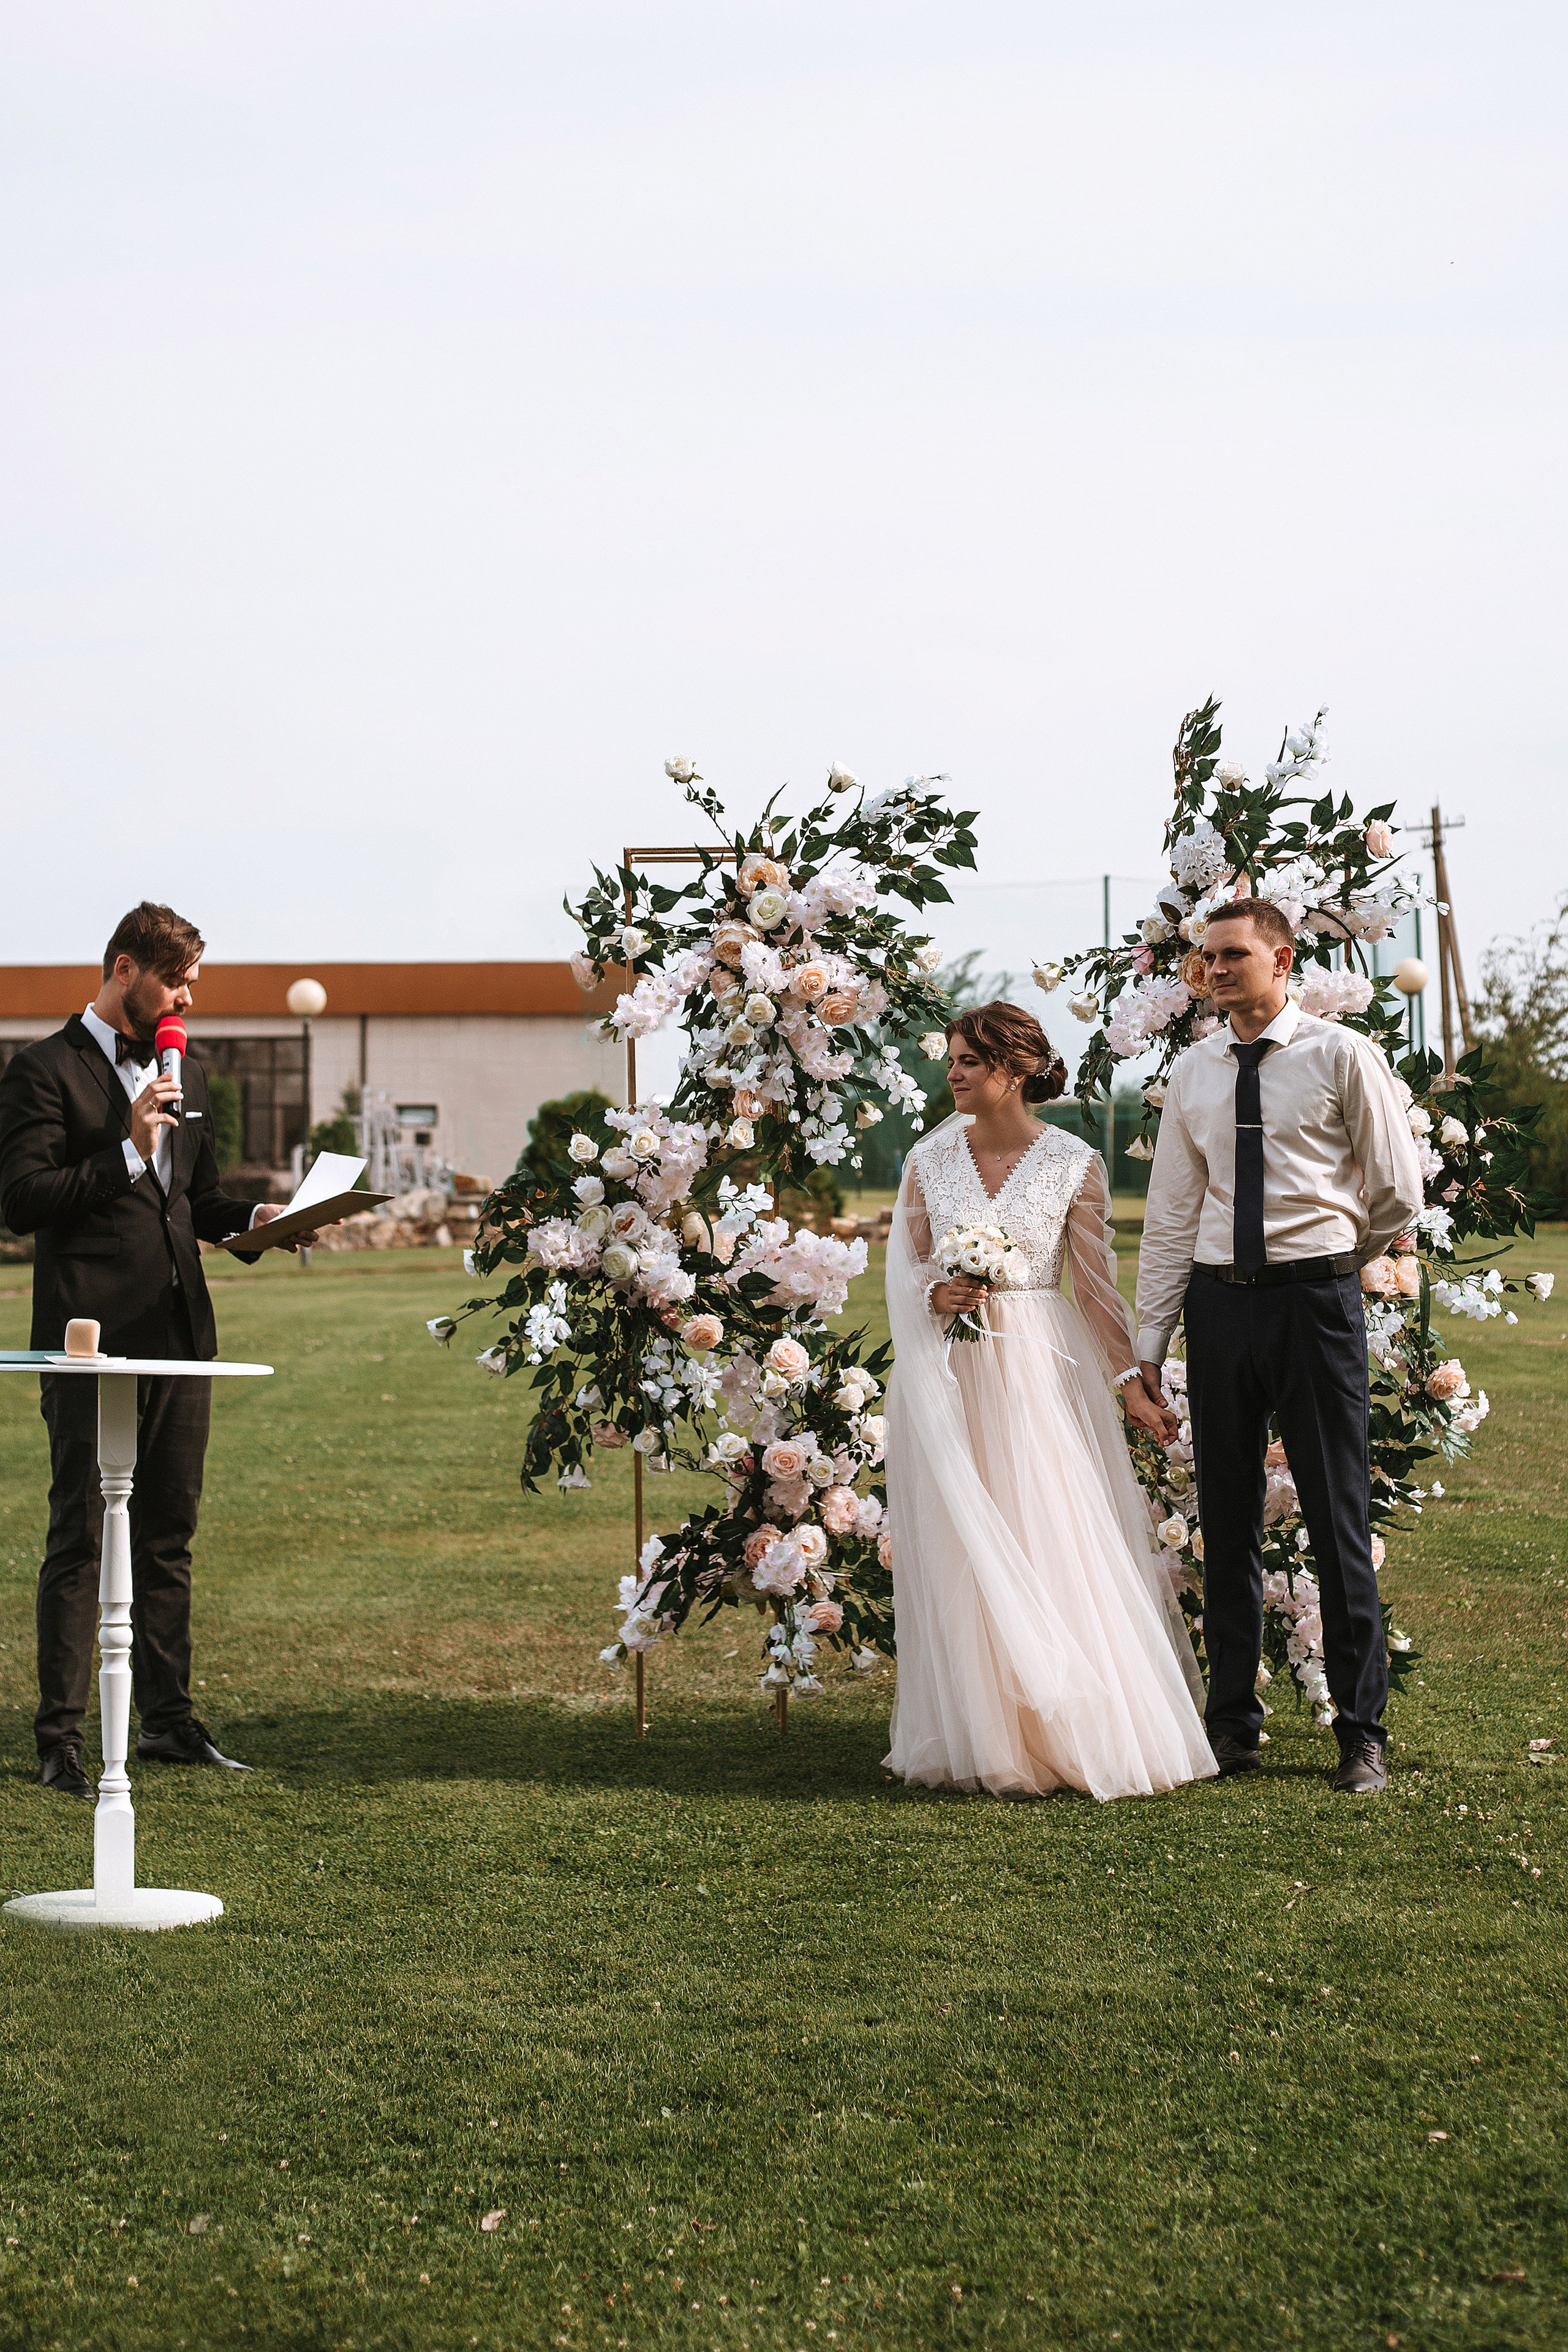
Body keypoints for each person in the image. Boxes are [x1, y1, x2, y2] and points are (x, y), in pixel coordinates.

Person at [0, 902, 323, 1799]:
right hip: (89, 1341)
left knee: (169, 1536)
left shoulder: (188, 1071)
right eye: (175, 981)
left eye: (191, 983)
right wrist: (128, 1150)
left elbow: (202, 1204)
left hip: (182, 1333)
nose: (186, 999)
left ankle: (170, 1723)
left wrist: (264, 1222)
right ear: (123, 969)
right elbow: (22, 1200)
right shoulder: (40, 1071)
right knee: (81, 1533)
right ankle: (60, 1739)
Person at [883, 1001, 1217, 1802]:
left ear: (1012, 1068)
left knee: (1053, 1531)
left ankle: (1078, 1725)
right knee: (968, 1539)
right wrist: (939, 1291)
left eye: (967, 1061)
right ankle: (991, 1732)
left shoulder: (1074, 1162)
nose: (953, 1074)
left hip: (1039, 1366)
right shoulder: (929, 1159)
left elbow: (1099, 1290)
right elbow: (909, 1269)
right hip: (955, 1376)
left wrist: (1128, 1381)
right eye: (953, 1060)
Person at [1134, 899, 1423, 1795]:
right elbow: (1174, 1214)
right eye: (1207, 959)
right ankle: (1231, 1732)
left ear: (1282, 958)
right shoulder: (1193, 1071)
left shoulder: (1342, 1056)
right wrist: (1152, 1340)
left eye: (1232, 955)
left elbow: (1397, 1192)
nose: (1215, 971)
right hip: (1221, 1311)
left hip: (1316, 1307)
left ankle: (1360, 1734)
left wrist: (1334, 1266)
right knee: (1225, 1519)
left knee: (1339, 1520)